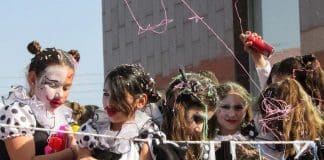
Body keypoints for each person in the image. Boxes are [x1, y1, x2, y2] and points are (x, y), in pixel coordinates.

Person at [0, 41, 80, 160]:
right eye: (53, 85)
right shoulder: (17, 113)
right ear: (32, 79)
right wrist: (72, 152)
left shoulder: (63, 117)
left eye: (66, 87)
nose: (60, 94)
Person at [76, 64, 161, 160]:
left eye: (118, 96)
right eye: (106, 94)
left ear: (140, 101)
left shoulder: (146, 134)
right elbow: (83, 157)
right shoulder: (93, 128)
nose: (109, 103)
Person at [254, 78, 324, 159]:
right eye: (265, 111)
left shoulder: (317, 139)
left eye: (276, 112)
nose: (270, 119)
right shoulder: (263, 143)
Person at [160, 70, 219, 160]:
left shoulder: (204, 150)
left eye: (206, 122)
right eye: (197, 119)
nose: (199, 129)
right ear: (179, 109)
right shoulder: (150, 143)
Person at [208, 82, 260, 160]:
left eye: (238, 107)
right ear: (214, 109)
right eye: (225, 107)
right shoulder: (202, 140)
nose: (232, 114)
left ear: (246, 110)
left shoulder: (257, 137)